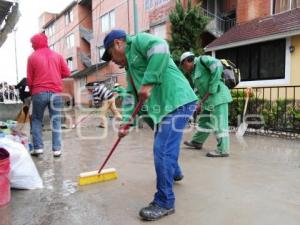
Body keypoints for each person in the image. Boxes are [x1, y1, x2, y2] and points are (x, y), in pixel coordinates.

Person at [101, 29, 197, 221]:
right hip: (163, 108)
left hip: (178, 101)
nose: (113, 61)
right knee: (165, 144)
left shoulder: (139, 41)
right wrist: (127, 122)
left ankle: (164, 201)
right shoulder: (130, 69)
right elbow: (131, 96)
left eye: (111, 55)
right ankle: (175, 173)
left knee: (161, 149)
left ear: (119, 43)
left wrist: (149, 81)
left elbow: (161, 48)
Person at [180, 51, 233, 157]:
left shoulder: (203, 60)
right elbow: (198, 90)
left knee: (219, 123)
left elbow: (217, 66)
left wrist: (212, 87)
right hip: (208, 100)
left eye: (183, 65)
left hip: (218, 97)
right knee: (204, 121)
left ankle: (223, 150)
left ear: (188, 60)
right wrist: (198, 103)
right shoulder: (193, 73)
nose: (184, 68)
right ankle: (197, 142)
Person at [27, 33, 71, 157]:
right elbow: (67, 73)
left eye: (32, 43)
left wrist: (32, 93)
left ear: (36, 43)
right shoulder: (57, 56)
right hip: (56, 92)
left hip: (38, 92)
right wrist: (56, 75)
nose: (32, 46)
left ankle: (38, 148)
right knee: (56, 120)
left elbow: (30, 79)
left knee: (36, 120)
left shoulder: (32, 57)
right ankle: (57, 150)